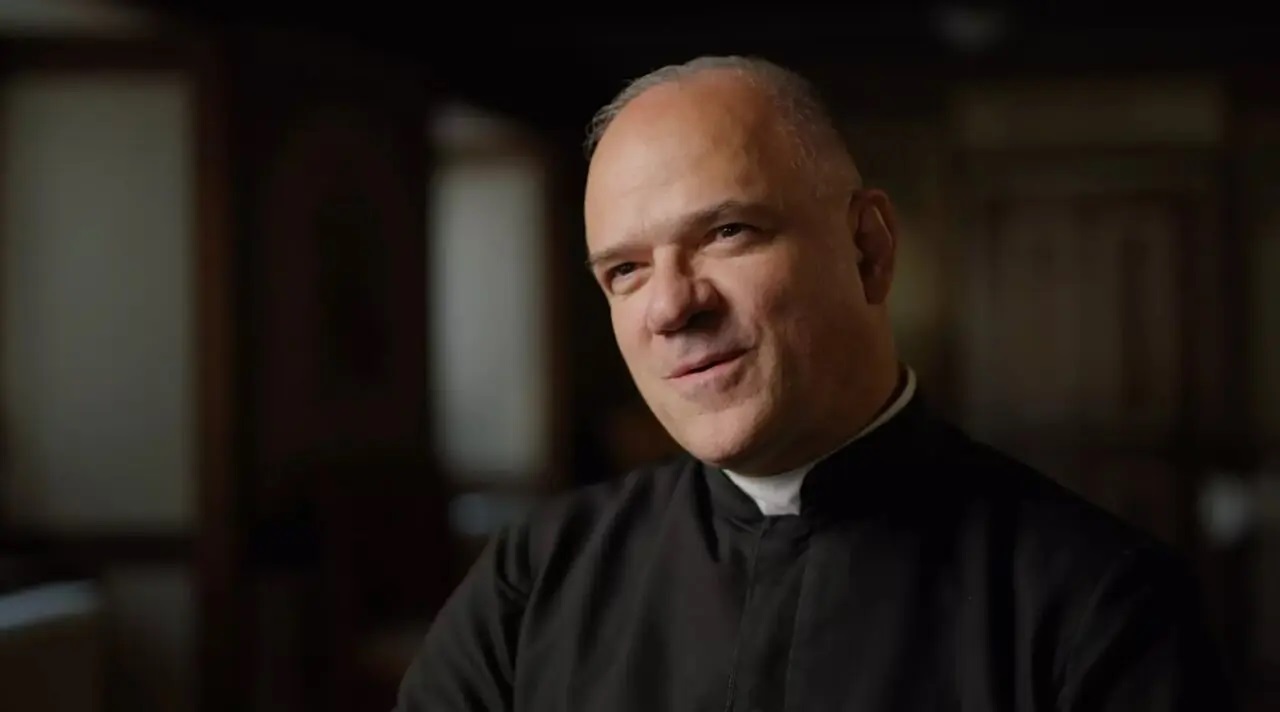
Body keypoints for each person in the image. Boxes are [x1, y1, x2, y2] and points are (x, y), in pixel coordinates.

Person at [394, 55, 1237, 711]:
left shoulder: (1100, 603)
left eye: (727, 231)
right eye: (625, 271)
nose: (670, 307)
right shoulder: (536, 576)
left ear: (868, 249)